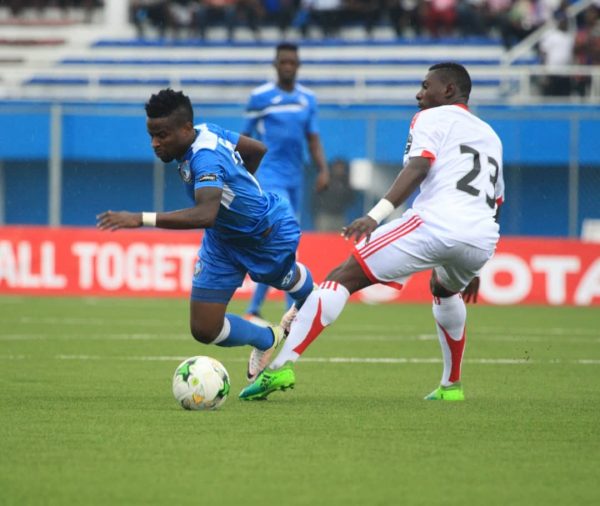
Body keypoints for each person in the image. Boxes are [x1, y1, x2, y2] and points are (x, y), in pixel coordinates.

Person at [240, 62, 505, 402]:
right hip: (481, 237)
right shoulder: (490, 135)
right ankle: (451, 387)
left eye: (426, 86)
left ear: (449, 90)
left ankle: (280, 367)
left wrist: (375, 215)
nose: (419, 94)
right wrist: (474, 265)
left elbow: (419, 166)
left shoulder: (430, 117)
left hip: (436, 224)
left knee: (341, 277)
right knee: (444, 288)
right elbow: (496, 201)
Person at [96, 88, 316, 383]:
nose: (155, 143)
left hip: (262, 233)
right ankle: (267, 338)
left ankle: (308, 292)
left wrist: (140, 218)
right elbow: (256, 149)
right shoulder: (205, 130)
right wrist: (237, 187)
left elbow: (204, 214)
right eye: (152, 135)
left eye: (162, 135)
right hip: (222, 239)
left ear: (186, 129)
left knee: (285, 279)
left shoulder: (206, 158)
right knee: (204, 328)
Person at [242, 42, 330, 326]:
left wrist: (323, 169)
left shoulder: (308, 99)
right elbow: (245, 138)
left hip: (295, 178)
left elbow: (313, 138)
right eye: (284, 62)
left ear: (298, 65)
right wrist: (241, 173)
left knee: (280, 243)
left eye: (292, 62)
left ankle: (255, 308)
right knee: (286, 233)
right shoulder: (260, 97)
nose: (288, 66)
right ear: (275, 64)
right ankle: (292, 308)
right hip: (269, 176)